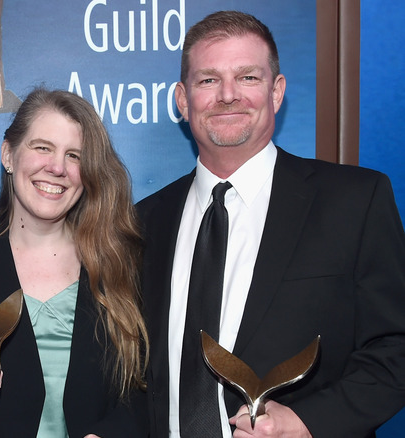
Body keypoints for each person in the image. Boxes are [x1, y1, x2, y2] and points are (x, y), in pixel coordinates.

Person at [136, 10, 405, 438]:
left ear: (276, 92)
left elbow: (396, 346)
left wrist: (306, 422)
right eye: (208, 80)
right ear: (182, 100)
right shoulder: (143, 222)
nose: (228, 95)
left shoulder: (354, 202)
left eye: (248, 77)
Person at [0, 88, 149, 437]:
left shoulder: (117, 259)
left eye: (74, 155)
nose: (57, 168)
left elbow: (142, 388)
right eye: (42, 147)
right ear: (8, 154)